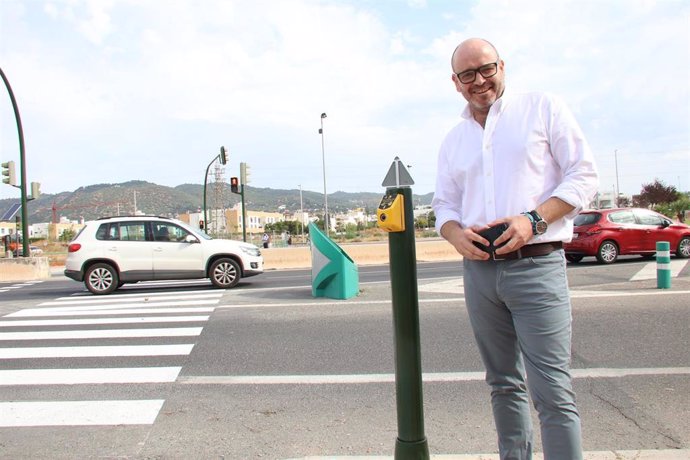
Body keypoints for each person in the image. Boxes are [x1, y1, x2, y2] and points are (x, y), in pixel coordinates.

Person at [432, 38, 598, 460]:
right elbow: (444, 204)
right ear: (455, 82)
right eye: (467, 74)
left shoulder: (543, 108)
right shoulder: (453, 140)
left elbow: (583, 176)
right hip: (479, 274)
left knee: (553, 392)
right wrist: (454, 234)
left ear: (502, 67)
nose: (479, 81)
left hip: (537, 265)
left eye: (486, 69)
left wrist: (533, 220)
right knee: (503, 384)